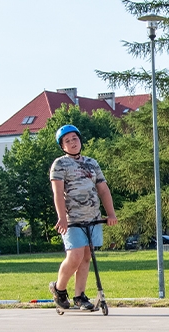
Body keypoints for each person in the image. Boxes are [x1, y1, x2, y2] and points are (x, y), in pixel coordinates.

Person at [48, 125, 118, 310]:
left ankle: (79, 296)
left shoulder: (92, 163)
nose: (72, 143)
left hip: (92, 217)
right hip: (72, 219)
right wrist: (62, 217)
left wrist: (110, 213)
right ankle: (59, 288)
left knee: (87, 256)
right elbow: (58, 192)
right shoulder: (60, 164)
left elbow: (103, 189)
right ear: (62, 146)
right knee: (75, 256)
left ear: (80, 140)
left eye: (74, 138)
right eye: (67, 141)